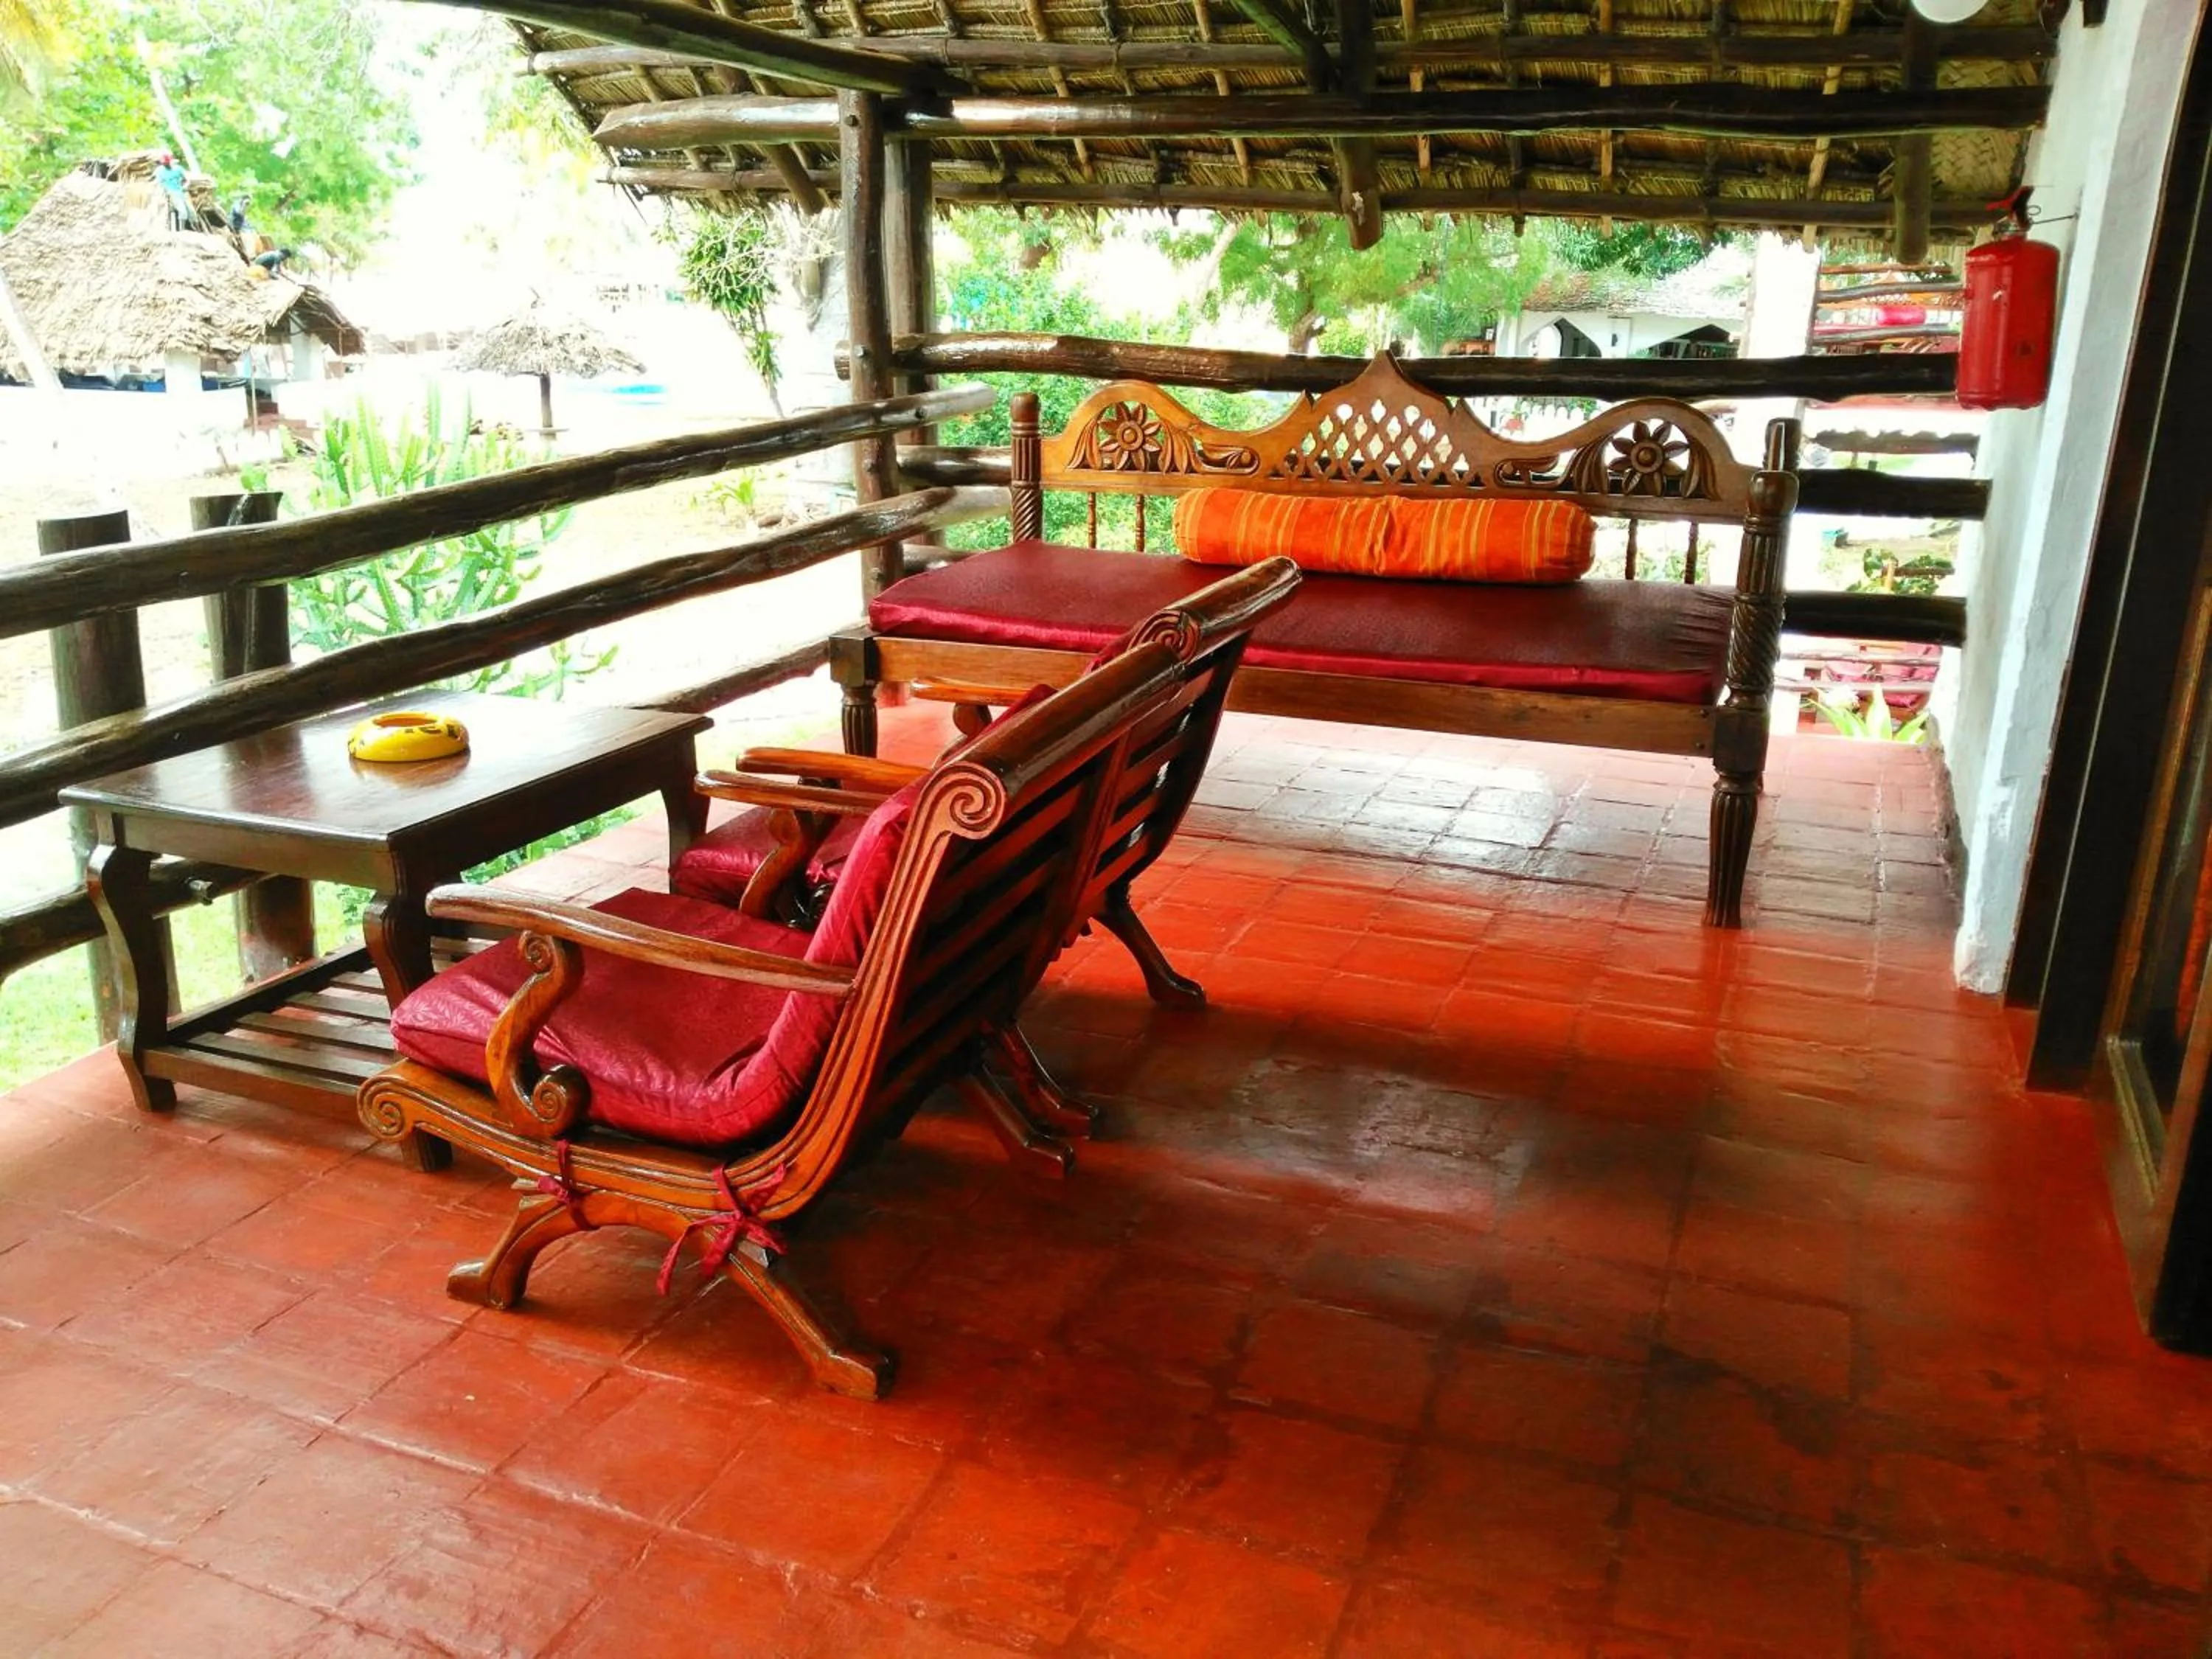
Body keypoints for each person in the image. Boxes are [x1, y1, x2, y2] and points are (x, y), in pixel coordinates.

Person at [153, 154, 191, 230]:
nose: (165, 165)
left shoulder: (178, 169)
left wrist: (185, 186)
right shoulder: (159, 171)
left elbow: (187, 180)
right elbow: (157, 182)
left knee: (184, 211)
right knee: (159, 209)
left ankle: (182, 229)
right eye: (164, 164)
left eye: (167, 163)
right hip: (164, 192)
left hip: (177, 192)